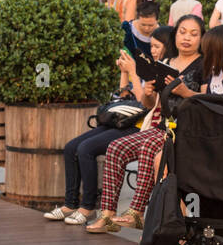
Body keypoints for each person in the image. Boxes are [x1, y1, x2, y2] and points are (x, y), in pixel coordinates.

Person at [46, 26, 175, 227]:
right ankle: (70, 204)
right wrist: (125, 73)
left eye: (157, 46)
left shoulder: (163, 71)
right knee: (71, 147)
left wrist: (133, 72)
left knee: (85, 149)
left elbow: (144, 102)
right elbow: (122, 97)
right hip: (122, 119)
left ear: (168, 46)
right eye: (152, 46)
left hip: (139, 125)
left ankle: (88, 207)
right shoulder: (150, 65)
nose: (153, 50)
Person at [87, 15, 203, 233]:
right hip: (162, 127)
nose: (187, 38)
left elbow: (207, 101)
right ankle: (108, 215)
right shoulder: (166, 64)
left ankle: (137, 213)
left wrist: (186, 93)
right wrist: (148, 93)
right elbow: (150, 104)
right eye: (182, 32)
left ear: (201, 38)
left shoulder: (203, 66)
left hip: (185, 131)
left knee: (150, 146)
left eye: (193, 34)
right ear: (175, 35)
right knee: (116, 147)